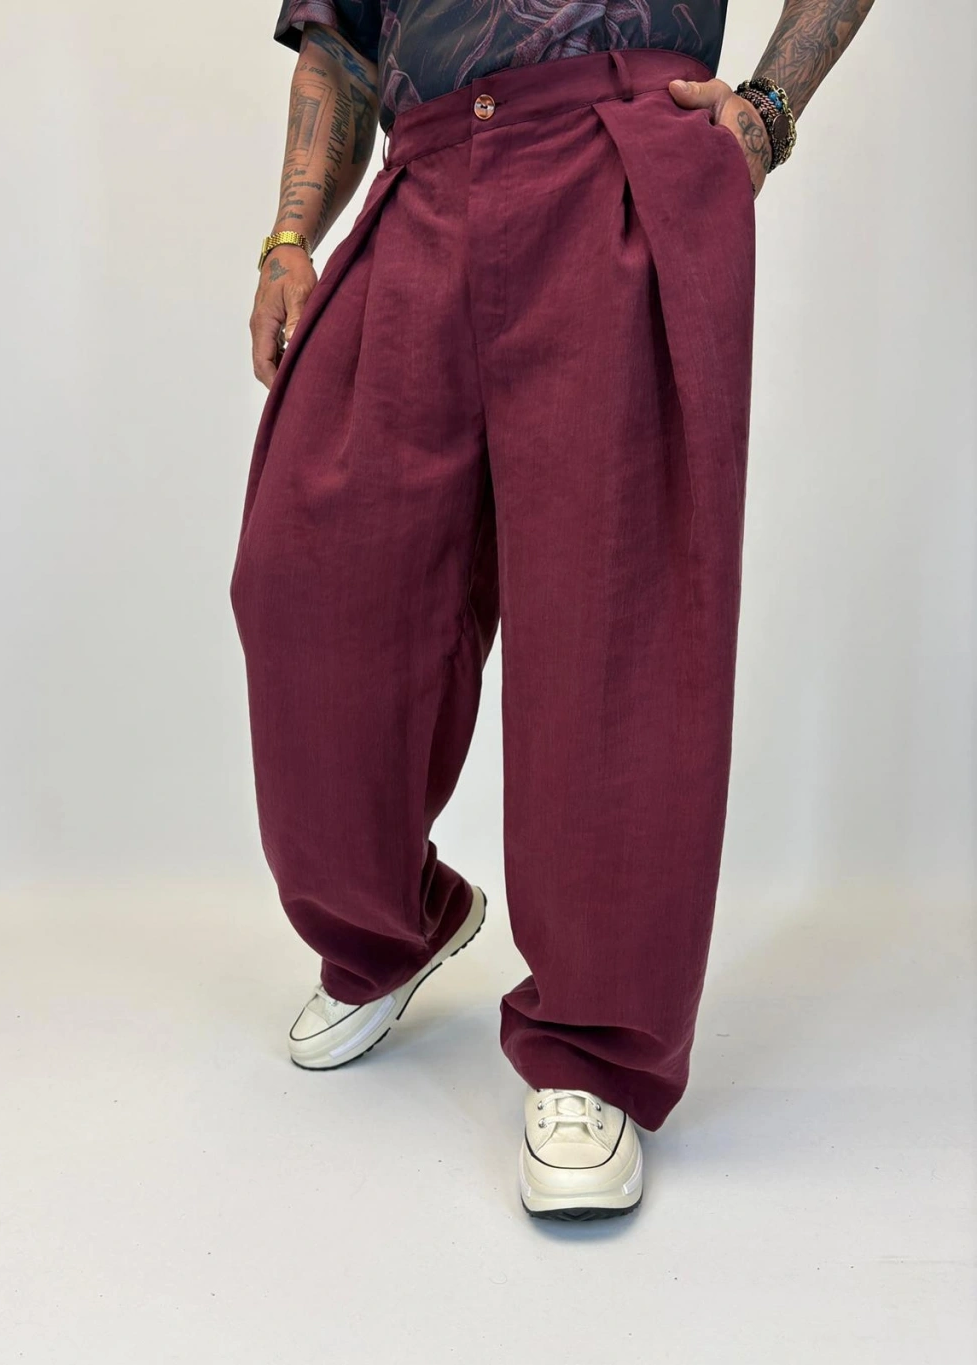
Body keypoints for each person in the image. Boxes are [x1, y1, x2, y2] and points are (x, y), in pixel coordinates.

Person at [231, 0, 875, 1222]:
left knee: (611, 610)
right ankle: (385, 927)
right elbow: (341, 38)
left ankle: (591, 1044)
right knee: (306, 577)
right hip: (421, 176)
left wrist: (767, 115)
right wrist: (288, 237)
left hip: (617, 152)